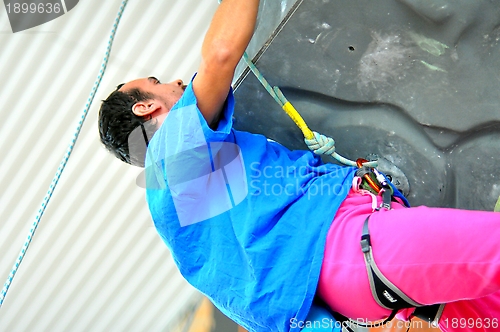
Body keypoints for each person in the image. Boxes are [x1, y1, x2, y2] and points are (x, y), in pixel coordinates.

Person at [98, 0, 500, 331]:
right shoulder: (173, 147)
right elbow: (221, 53)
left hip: (363, 292)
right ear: (146, 106)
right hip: (356, 247)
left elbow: (271, 314)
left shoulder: (185, 233)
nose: (174, 83)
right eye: (156, 82)